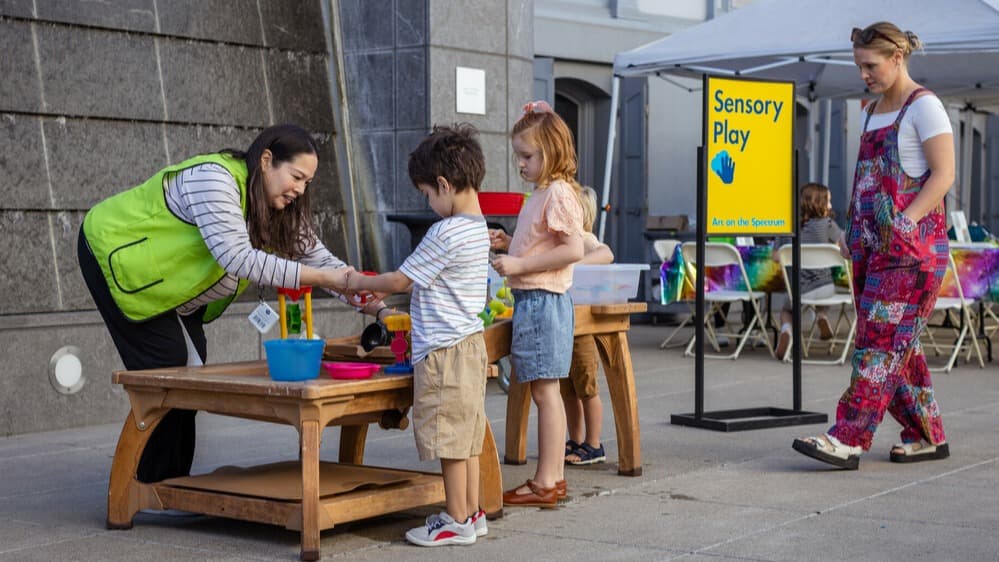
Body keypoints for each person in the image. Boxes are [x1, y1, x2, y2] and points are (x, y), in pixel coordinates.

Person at [78, 124, 380, 485]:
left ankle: (170, 483)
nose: (300, 190)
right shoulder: (215, 179)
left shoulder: (278, 208)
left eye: (307, 183)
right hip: (115, 257)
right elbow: (239, 258)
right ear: (267, 160)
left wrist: (376, 305)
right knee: (171, 371)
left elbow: (322, 262)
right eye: (296, 176)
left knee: (189, 373)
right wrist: (329, 280)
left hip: (171, 290)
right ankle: (155, 485)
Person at [793, 22, 954, 469]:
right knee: (897, 348)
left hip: (911, 255)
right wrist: (849, 232)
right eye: (859, 66)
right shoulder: (870, 111)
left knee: (877, 345)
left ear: (897, 58)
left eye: (871, 65)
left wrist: (905, 220)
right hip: (871, 252)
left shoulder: (926, 108)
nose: (864, 74)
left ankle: (848, 436)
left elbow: (944, 175)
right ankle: (927, 435)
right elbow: (867, 179)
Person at [345, 124, 491, 546]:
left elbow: (400, 280)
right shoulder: (479, 227)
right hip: (469, 345)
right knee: (466, 434)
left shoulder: (445, 232)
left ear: (444, 184)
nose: (429, 202)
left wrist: (355, 281)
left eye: (427, 194)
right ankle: (473, 512)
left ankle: (455, 519)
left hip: (444, 351)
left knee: (447, 436)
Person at [490, 100, 585, 507]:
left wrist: (521, 262)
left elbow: (573, 248)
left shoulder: (557, 193)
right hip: (536, 300)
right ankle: (552, 478)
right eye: (519, 157)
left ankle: (546, 480)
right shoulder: (544, 192)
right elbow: (548, 245)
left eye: (527, 156)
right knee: (545, 390)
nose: (522, 164)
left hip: (544, 302)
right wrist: (511, 245)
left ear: (551, 151)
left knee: (546, 393)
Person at [563, 186, 613, 465]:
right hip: (564, 326)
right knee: (567, 390)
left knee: (587, 387)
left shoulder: (584, 238)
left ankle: (594, 444)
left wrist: (575, 263)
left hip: (581, 327)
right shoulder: (561, 242)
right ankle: (577, 439)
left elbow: (607, 254)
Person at [773, 183, 849, 360]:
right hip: (824, 288)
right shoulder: (827, 224)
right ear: (819, 203)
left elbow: (776, 256)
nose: (830, 206)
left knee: (787, 311)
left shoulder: (788, 227)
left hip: (798, 291)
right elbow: (844, 246)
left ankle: (786, 330)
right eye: (828, 201)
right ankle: (821, 315)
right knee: (824, 296)